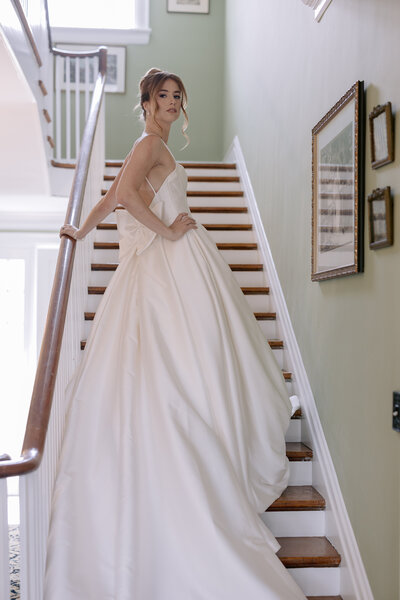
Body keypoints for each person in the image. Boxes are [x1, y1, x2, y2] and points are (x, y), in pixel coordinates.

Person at [44, 68, 306, 599]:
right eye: (163, 95)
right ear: (146, 100)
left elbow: (117, 197)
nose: (170, 102)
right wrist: (167, 230)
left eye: (177, 96)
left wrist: (82, 228)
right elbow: (126, 197)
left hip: (171, 257)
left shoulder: (154, 143)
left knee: (210, 349)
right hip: (165, 257)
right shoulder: (148, 142)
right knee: (187, 353)